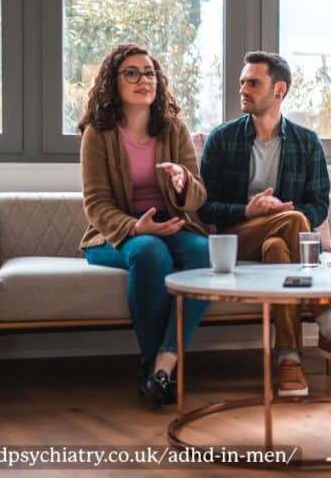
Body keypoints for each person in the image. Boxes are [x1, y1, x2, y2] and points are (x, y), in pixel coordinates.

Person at [198, 51, 331, 397]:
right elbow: (206, 209)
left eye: (253, 83)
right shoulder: (222, 139)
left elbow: (318, 204)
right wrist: (249, 210)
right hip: (238, 237)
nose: (243, 90)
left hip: (283, 243)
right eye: (242, 82)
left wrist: (281, 215)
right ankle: (328, 324)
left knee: (277, 247)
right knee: (293, 220)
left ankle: (289, 358)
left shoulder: (306, 142)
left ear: (279, 90)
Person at [78, 43, 210, 409]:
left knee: (203, 253)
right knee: (151, 252)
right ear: (113, 82)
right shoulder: (98, 134)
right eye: (132, 73)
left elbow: (198, 195)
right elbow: (96, 204)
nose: (143, 80)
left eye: (149, 73)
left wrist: (183, 182)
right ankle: (154, 369)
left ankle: (165, 362)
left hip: (170, 225)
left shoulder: (174, 129)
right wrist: (137, 228)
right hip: (116, 234)